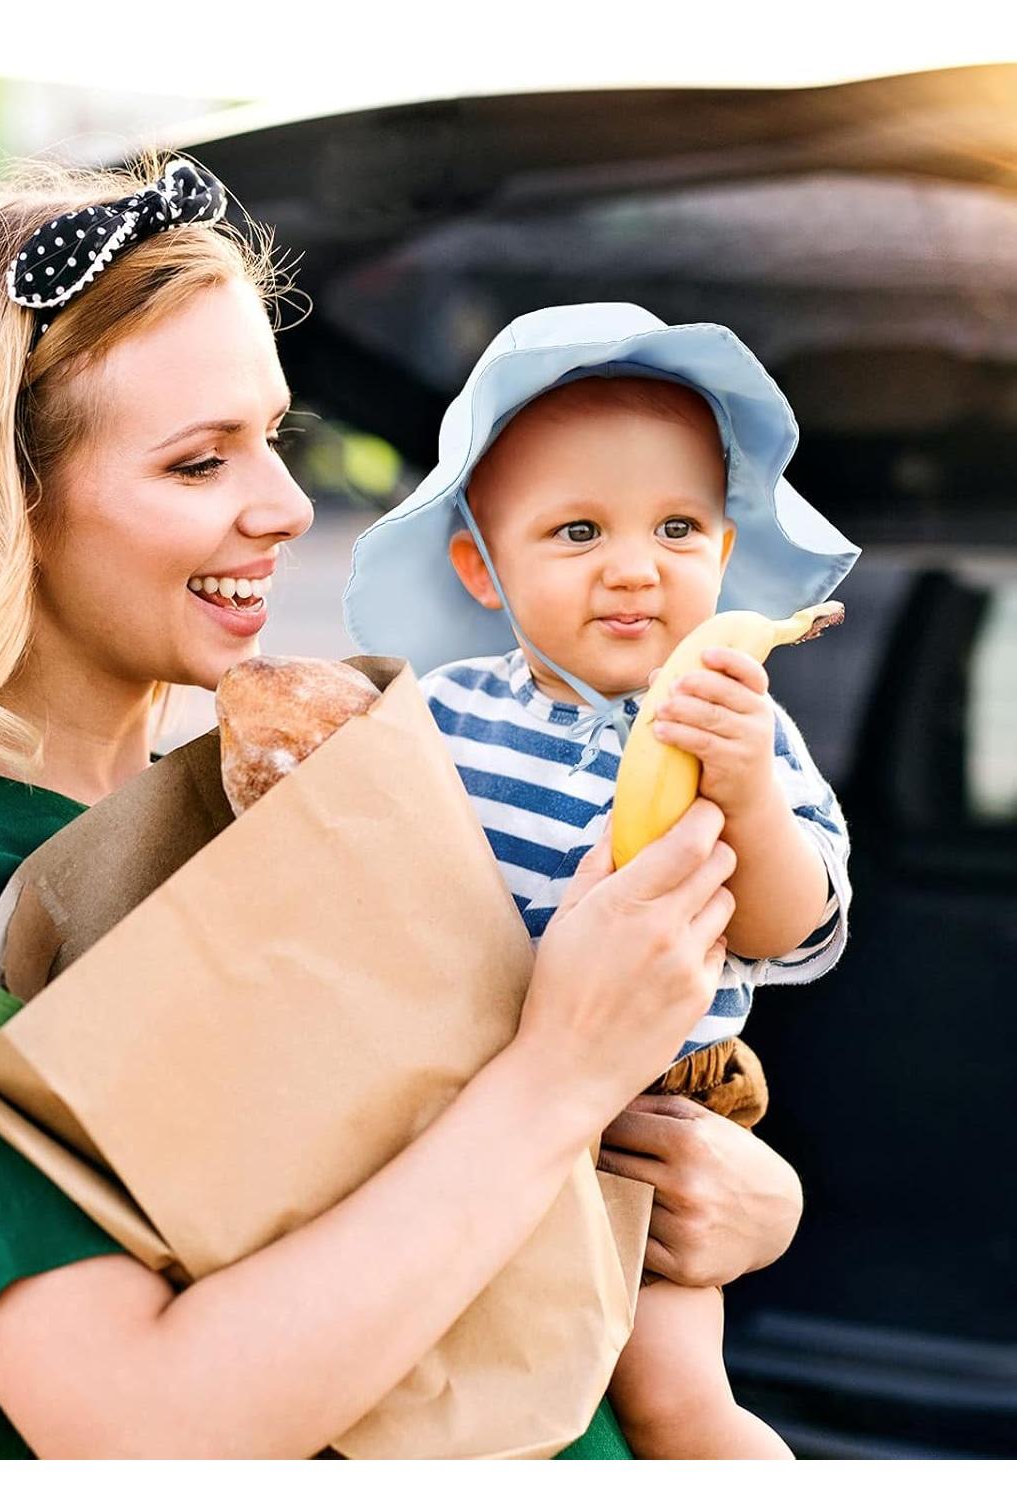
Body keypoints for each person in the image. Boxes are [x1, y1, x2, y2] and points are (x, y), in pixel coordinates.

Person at [0, 162, 806, 1460]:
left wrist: (726, 1196)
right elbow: (144, 1430)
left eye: (275, 438)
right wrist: (558, 1076)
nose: (288, 508)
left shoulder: (254, 797)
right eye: (200, 462)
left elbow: (425, 1165)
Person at [343, 303, 860, 1457]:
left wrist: (746, 794)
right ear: (482, 569)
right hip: (451, 1092)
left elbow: (789, 926)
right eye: (578, 532)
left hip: (650, 1114)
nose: (634, 567)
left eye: (678, 527)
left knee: (671, 1403)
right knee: (448, 1383)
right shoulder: (441, 715)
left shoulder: (742, 729)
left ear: (723, 555)